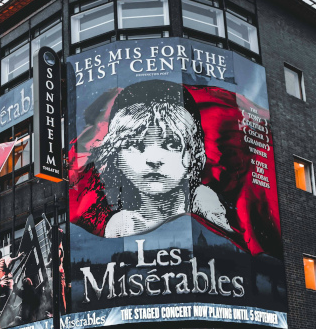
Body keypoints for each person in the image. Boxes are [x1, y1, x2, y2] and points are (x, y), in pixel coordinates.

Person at [86, 79, 232, 238]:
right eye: (136, 145)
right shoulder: (119, 225)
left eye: (172, 144)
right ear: (117, 156)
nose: (154, 159)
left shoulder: (209, 211)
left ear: (193, 154)